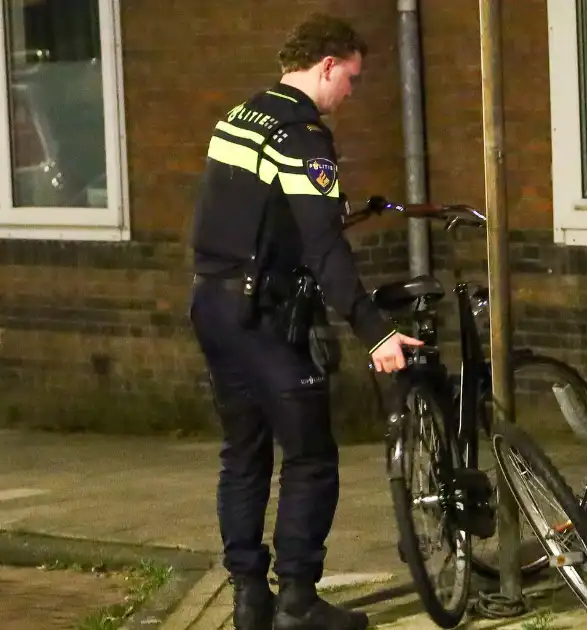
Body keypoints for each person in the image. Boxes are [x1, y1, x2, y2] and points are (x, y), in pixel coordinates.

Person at [188, 12, 421, 630]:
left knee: (242, 453)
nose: (351, 91)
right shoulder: (301, 136)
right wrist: (375, 329)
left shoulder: (238, 118)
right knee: (311, 456)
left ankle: (247, 598)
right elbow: (324, 249)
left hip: (211, 304)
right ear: (326, 66)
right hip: (263, 315)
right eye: (351, 77)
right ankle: (296, 599)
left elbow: (248, 219)